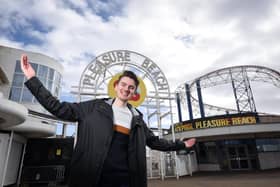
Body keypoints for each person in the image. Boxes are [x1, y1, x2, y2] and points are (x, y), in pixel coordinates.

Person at [20, 54, 196, 187]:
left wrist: (181, 145)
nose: (126, 89)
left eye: (131, 87)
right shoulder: (93, 108)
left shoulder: (137, 119)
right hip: (91, 179)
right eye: (123, 85)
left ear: (134, 93)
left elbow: (155, 142)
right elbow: (57, 107)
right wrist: (32, 79)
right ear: (116, 86)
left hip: (125, 181)